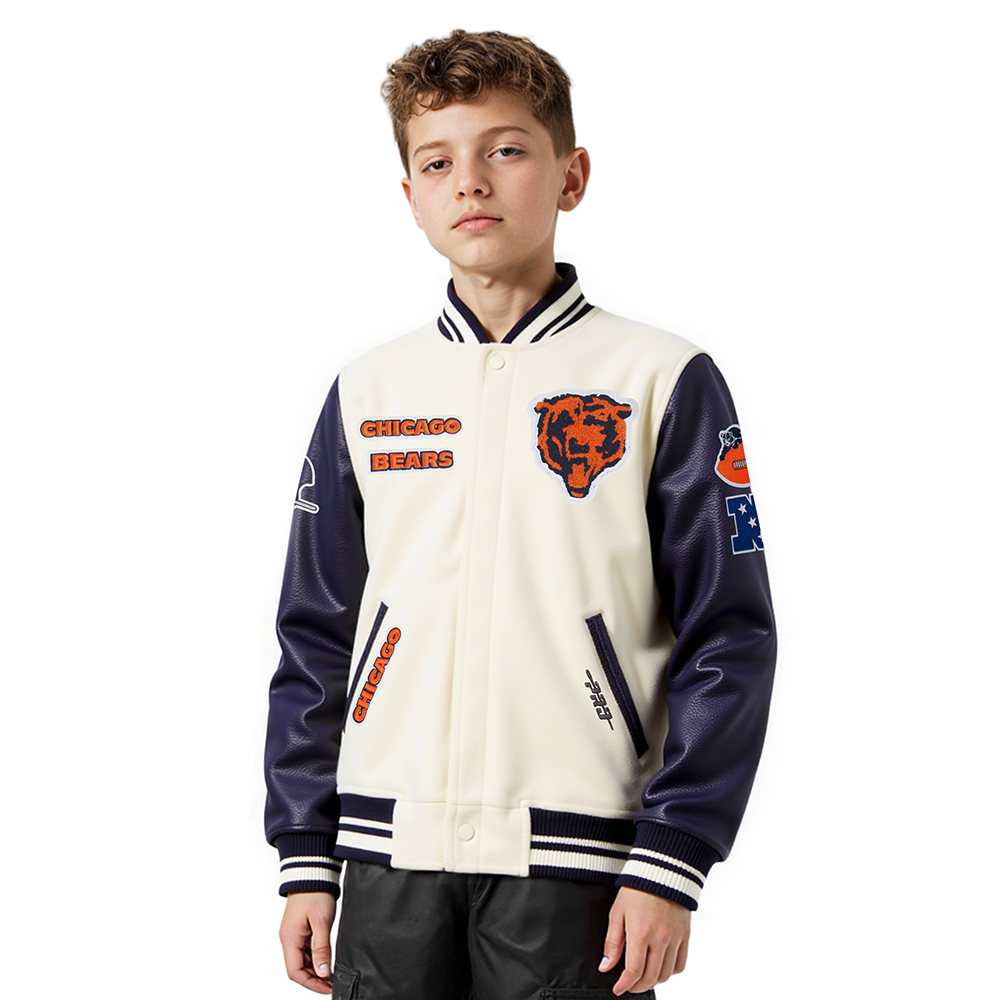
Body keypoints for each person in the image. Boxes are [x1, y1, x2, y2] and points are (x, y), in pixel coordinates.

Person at [264, 28, 776, 999]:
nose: (471, 181)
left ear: (570, 176)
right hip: (385, 851)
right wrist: (304, 854)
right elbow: (316, 632)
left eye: (505, 149)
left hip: (582, 859)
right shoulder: (369, 390)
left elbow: (728, 633)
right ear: (409, 197)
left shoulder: (660, 379)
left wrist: (674, 856)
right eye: (437, 162)